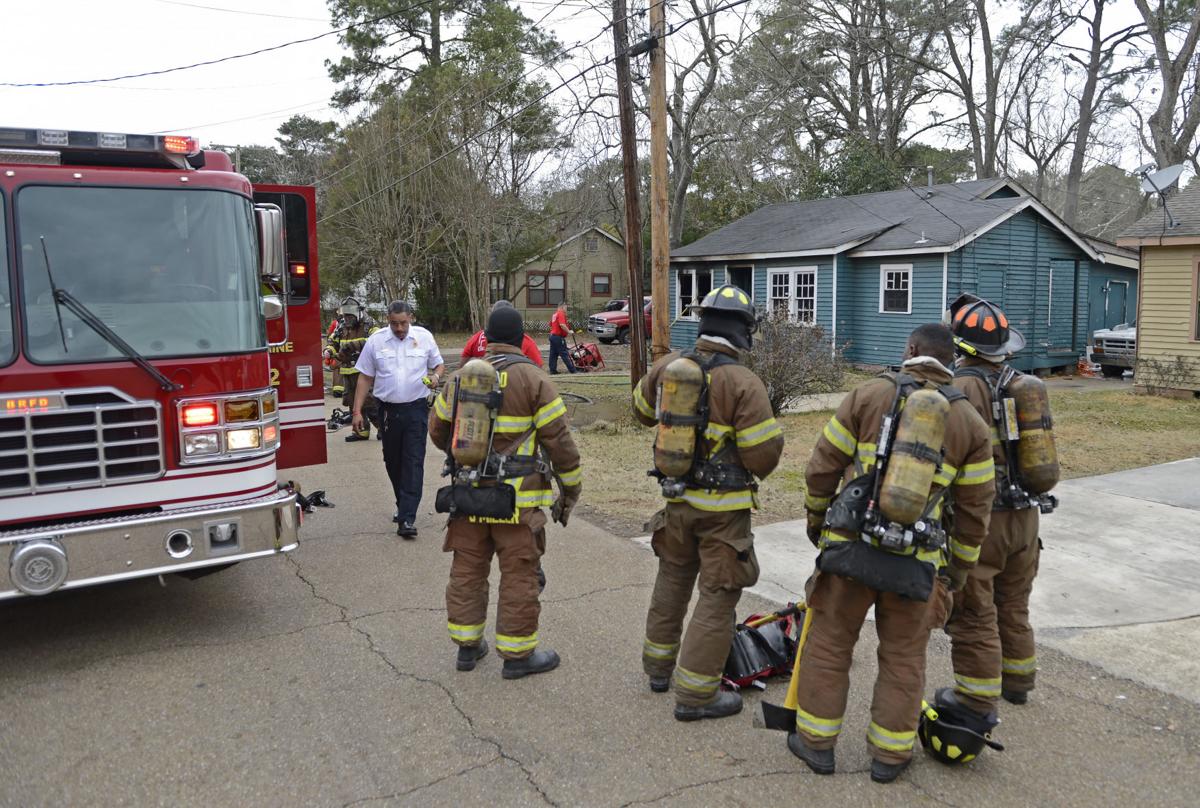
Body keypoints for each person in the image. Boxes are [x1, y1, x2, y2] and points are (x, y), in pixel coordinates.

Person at [790, 323, 995, 784]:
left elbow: (822, 467)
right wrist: (955, 572)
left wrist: (819, 524)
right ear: (952, 361)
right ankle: (890, 756)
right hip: (917, 565)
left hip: (850, 553)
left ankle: (816, 744)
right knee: (904, 656)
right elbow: (975, 511)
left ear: (911, 351)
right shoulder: (969, 424)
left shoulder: (867, 395)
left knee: (829, 643)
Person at [633, 285, 784, 722]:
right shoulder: (743, 382)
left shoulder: (669, 367)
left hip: (676, 504)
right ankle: (696, 696)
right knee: (718, 595)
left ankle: (658, 670)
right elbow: (763, 459)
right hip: (723, 515)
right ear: (744, 332)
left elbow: (641, 410)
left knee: (672, 580)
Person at [429, 305, 582, 678]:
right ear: (521, 339)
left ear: (487, 337)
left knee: (467, 570)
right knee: (519, 575)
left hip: (467, 498)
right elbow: (559, 442)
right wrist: (571, 488)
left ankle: (468, 649)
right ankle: (517, 658)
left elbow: (437, 432)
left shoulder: (459, 379)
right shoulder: (535, 380)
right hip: (518, 504)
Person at [941, 294, 1052, 717]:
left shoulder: (958, 388)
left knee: (974, 610)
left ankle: (975, 697)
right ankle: (1019, 681)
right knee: (1014, 602)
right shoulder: (1023, 385)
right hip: (1026, 517)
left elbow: (947, 455)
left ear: (960, 346)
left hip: (983, 519)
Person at [353, 301, 445, 539]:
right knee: (393, 461)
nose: (400, 328)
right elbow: (364, 377)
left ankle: (407, 518)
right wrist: (356, 411)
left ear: (410, 318)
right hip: (388, 412)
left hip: (416, 410)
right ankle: (402, 503)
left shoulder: (423, 337)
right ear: (388, 320)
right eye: (394, 323)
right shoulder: (376, 341)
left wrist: (435, 376)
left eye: (403, 323)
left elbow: (439, 364)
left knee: (413, 461)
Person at [332, 299, 379, 440]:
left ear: (358, 313)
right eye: (345, 316)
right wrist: (328, 351)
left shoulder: (370, 324)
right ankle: (360, 432)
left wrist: (353, 345)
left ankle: (383, 429)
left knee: (369, 401)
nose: (347, 319)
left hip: (365, 372)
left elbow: (376, 340)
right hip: (347, 371)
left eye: (350, 316)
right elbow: (332, 342)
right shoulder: (341, 327)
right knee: (352, 402)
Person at [461, 300, 543, 367]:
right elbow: (538, 367)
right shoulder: (525, 340)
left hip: (483, 382)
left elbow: (463, 364)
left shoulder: (477, 337)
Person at [548, 300, 577, 375]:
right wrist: (568, 331)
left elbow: (550, 324)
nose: (566, 309)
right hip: (558, 337)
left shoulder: (555, 314)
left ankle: (552, 370)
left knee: (553, 354)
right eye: (566, 307)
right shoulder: (561, 313)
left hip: (552, 336)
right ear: (562, 306)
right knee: (564, 354)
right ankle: (573, 370)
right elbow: (562, 325)